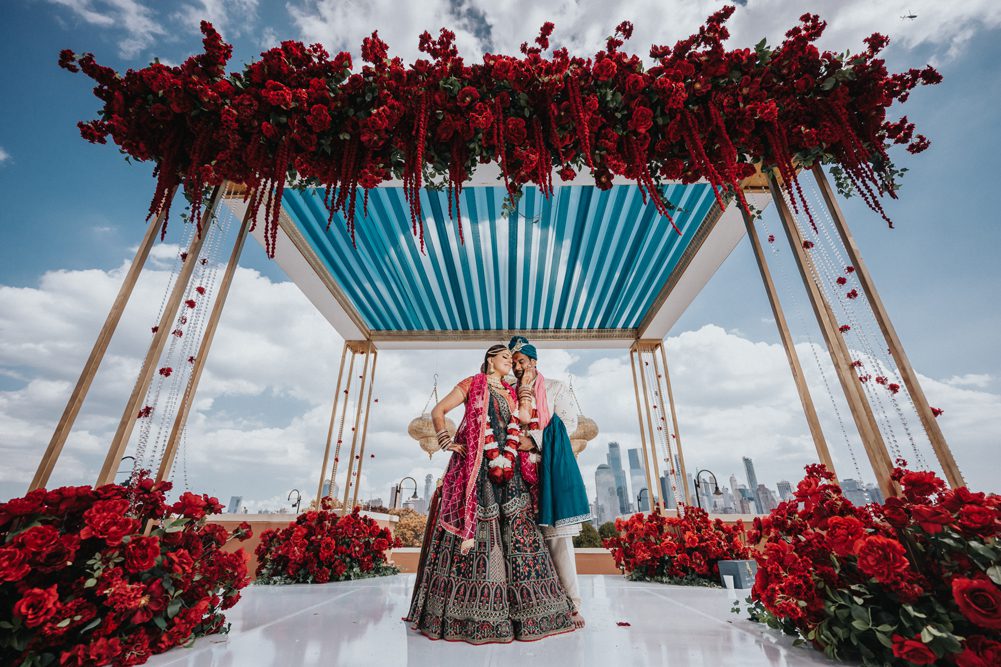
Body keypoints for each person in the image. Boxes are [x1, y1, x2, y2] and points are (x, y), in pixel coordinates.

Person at [406, 344, 576, 644]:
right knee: (475, 533)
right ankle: (463, 614)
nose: (511, 363)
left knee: (521, 533)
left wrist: (524, 389)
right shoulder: (472, 383)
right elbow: (439, 411)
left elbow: (523, 419)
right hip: (476, 468)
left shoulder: (511, 392)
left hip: (508, 470)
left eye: (514, 359)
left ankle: (531, 612)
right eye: (506, 357)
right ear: (490, 359)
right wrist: (446, 442)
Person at [509, 335, 591, 629]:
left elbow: (567, 425)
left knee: (557, 539)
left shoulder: (555, 387)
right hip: (513, 473)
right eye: (514, 361)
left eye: (522, 361)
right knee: (517, 541)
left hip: (548, 470)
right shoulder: (507, 390)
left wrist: (534, 441)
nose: (517, 367)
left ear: (534, 361)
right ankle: (526, 604)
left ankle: (571, 605)